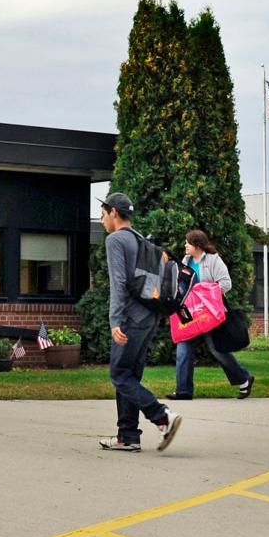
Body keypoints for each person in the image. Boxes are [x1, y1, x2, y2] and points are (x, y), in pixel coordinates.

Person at [97, 192, 181, 453]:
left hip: (130, 319)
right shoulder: (139, 238)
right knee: (130, 375)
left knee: (119, 374)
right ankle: (128, 436)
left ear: (113, 213)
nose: (101, 221)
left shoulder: (116, 240)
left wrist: (115, 320)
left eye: (102, 214)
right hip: (149, 316)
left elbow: (119, 283)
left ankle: (161, 416)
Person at [172, 230, 253, 400]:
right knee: (183, 349)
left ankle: (244, 378)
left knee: (217, 350)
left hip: (209, 313)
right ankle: (183, 391)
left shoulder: (213, 260)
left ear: (197, 245)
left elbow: (226, 284)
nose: (185, 245)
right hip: (189, 312)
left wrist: (205, 294)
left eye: (188, 242)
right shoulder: (185, 262)